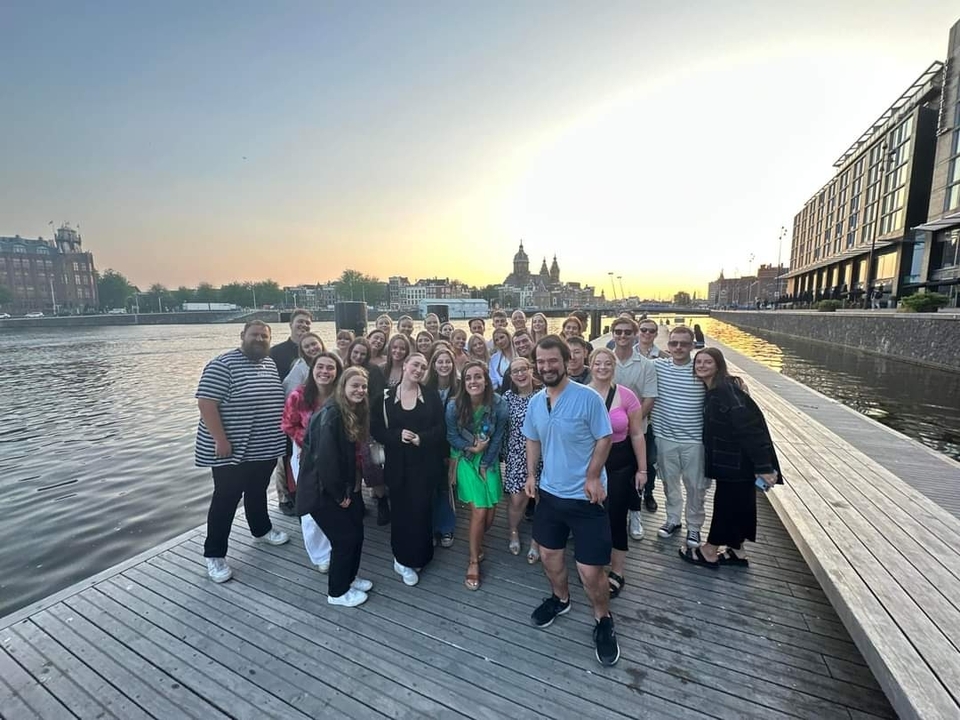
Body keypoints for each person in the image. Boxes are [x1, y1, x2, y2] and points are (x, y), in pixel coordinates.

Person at [523, 336, 618, 667]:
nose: (547, 367)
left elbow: (604, 438)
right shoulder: (536, 402)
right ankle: (560, 599)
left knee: (590, 571)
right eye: (541, 362)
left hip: (586, 498)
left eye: (553, 361)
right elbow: (532, 438)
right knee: (550, 556)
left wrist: (593, 476)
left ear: (566, 362)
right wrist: (532, 475)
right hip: (550, 494)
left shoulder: (587, 398)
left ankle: (603, 618)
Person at [196, 320, 289, 583]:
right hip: (231, 449)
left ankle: (261, 529)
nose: (259, 339)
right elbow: (206, 403)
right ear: (243, 336)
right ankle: (214, 554)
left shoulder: (269, 363)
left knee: (258, 491)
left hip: (263, 446)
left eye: (264, 336)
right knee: (226, 499)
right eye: (254, 335)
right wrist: (220, 440)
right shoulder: (222, 365)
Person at [685, 347, 782, 568]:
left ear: (718, 365)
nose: (701, 365)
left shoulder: (725, 391)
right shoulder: (717, 388)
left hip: (736, 462)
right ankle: (738, 551)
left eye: (707, 362)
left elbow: (749, 429)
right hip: (733, 461)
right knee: (742, 505)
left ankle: (709, 551)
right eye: (698, 362)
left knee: (725, 506)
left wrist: (764, 466)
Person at [296, 367, 373, 607]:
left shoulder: (348, 411)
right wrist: (340, 494)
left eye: (363, 386)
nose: (360, 390)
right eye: (355, 386)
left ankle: (349, 577)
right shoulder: (332, 415)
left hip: (342, 488)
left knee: (356, 533)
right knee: (344, 539)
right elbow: (325, 461)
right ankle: (337, 592)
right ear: (343, 387)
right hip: (323, 491)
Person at [372, 353, 446, 586]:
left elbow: (440, 429)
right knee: (402, 513)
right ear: (404, 366)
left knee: (423, 510)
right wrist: (396, 435)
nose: (419, 369)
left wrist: (420, 439)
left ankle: (422, 555)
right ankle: (402, 559)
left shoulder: (431, 396)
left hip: (424, 465)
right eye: (415, 364)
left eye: (423, 367)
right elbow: (376, 430)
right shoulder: (385, 398)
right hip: (398, 466)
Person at [587, 348, 647, 598]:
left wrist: (642, 469)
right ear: (590, 366)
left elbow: (636, 433)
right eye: (597, 363)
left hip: (621, 462)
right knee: (592, 515)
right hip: (591, 463)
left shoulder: (627, 396)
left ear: (614, 366)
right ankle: (594, 564)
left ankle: (618, 570)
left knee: (616, 515)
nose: (602, 368)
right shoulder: (582, 394)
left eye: (607, 363)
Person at [445, 360, 508, 591]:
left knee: (490, 514)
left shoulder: (499, 405)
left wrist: (487, 462)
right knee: (479, 511)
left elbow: (498, 437)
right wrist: (472, 448)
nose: (473, 381)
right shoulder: (454, 406)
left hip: (488, 459)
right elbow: (452, 436)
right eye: (469, 377)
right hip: (465, 457)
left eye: (478, 377)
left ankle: (478, 544)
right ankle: (473, 562)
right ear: (464, 382)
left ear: (486, 380)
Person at [281, 352, 342, 572]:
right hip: (306, 455)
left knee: (334, 501)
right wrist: (309, 443)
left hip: (335, 456)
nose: (325, 372)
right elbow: (288, 425)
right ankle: (320, 554)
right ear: (312, 370)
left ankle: (335, 542)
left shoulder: (340, 396)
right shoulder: (298, 395)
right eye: (320, 367)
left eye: (330, 368)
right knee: (311, 504)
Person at [651, 326, 708, 549]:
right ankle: (673, 519)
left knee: (696, 486)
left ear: (692, 346)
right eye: (674, 343)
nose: (678, 348)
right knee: (669, 482)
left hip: (695, 440)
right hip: (665, 437)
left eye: (684, 344)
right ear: (668, 345)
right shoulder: (658, 367)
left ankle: (694, 526)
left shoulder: (701, 370)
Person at [609, 316, 659, 534]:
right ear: (612, 334)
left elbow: (649, 398)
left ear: (635, 334)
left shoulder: (646, 365)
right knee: (611, 473)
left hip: (637, 430)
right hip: (609, 432)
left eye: (627, 332)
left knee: (636, 472)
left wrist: (631, 424)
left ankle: (635, 513)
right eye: (618, 331)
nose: (622, 336)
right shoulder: (605, 361)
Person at [269, 309, 313, 515]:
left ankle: (302, 492)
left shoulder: (314, 354)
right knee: (285, 454)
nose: (303, 326)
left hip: (308, 414)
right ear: (291, 324)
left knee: (299, 454)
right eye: (300, 322)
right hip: (284, 410)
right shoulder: (276, 352)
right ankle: (284, 497)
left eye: (307, 323)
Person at [502, 357, 541, 563]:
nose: (520, 374)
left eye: (523, 369)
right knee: (517, 499)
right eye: (515, 371)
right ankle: (514, 531)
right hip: (516, 455)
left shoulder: (544, 395)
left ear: (531, 370)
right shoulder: (507, 398)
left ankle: (537, 539)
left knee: (542, 500)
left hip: (544, 455)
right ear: (510, 376)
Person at [426, 346, 460, 548]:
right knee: (430, 488)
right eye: (440, 361)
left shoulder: (459, 387)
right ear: (434, 365)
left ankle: (446, 526)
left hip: (451, 444)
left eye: (448, 361)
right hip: (429, 445)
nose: (444, 365)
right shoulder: (425, 388)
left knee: (446, 488)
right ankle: (430, 527)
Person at [282, 332, 326, 397]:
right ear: (303, 351)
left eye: (314, 344)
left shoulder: (332, 361)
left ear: (321, 344)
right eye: (306, 347)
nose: (312, 348)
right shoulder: (300, 368)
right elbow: (291, 393)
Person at [497, 329, 534, 394]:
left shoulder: (542, 365)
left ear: (532, 341)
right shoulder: (510, 371)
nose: (522, 345)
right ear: (514, 347)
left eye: (525, 341)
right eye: (517, 343)